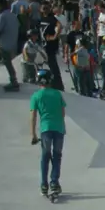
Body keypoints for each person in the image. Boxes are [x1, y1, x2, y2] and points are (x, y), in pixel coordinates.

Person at [29, 69, 67, 197]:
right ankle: (54, 182)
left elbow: (33, 116)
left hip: (45, 129)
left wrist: (33, 134)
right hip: (59, 129)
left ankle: (44, 184)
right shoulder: (57, 94)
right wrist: (62, 126)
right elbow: (62, 113)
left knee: (45, 156)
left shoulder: (36, 96)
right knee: (57, 156)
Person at [0, 0, 21, 91]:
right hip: (12, 43)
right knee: (8, 63)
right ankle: (14, 80)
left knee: (7, 63)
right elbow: (18, 25)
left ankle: (13, 81)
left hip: (5, 43)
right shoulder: (12, 15)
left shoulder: (2, 16)